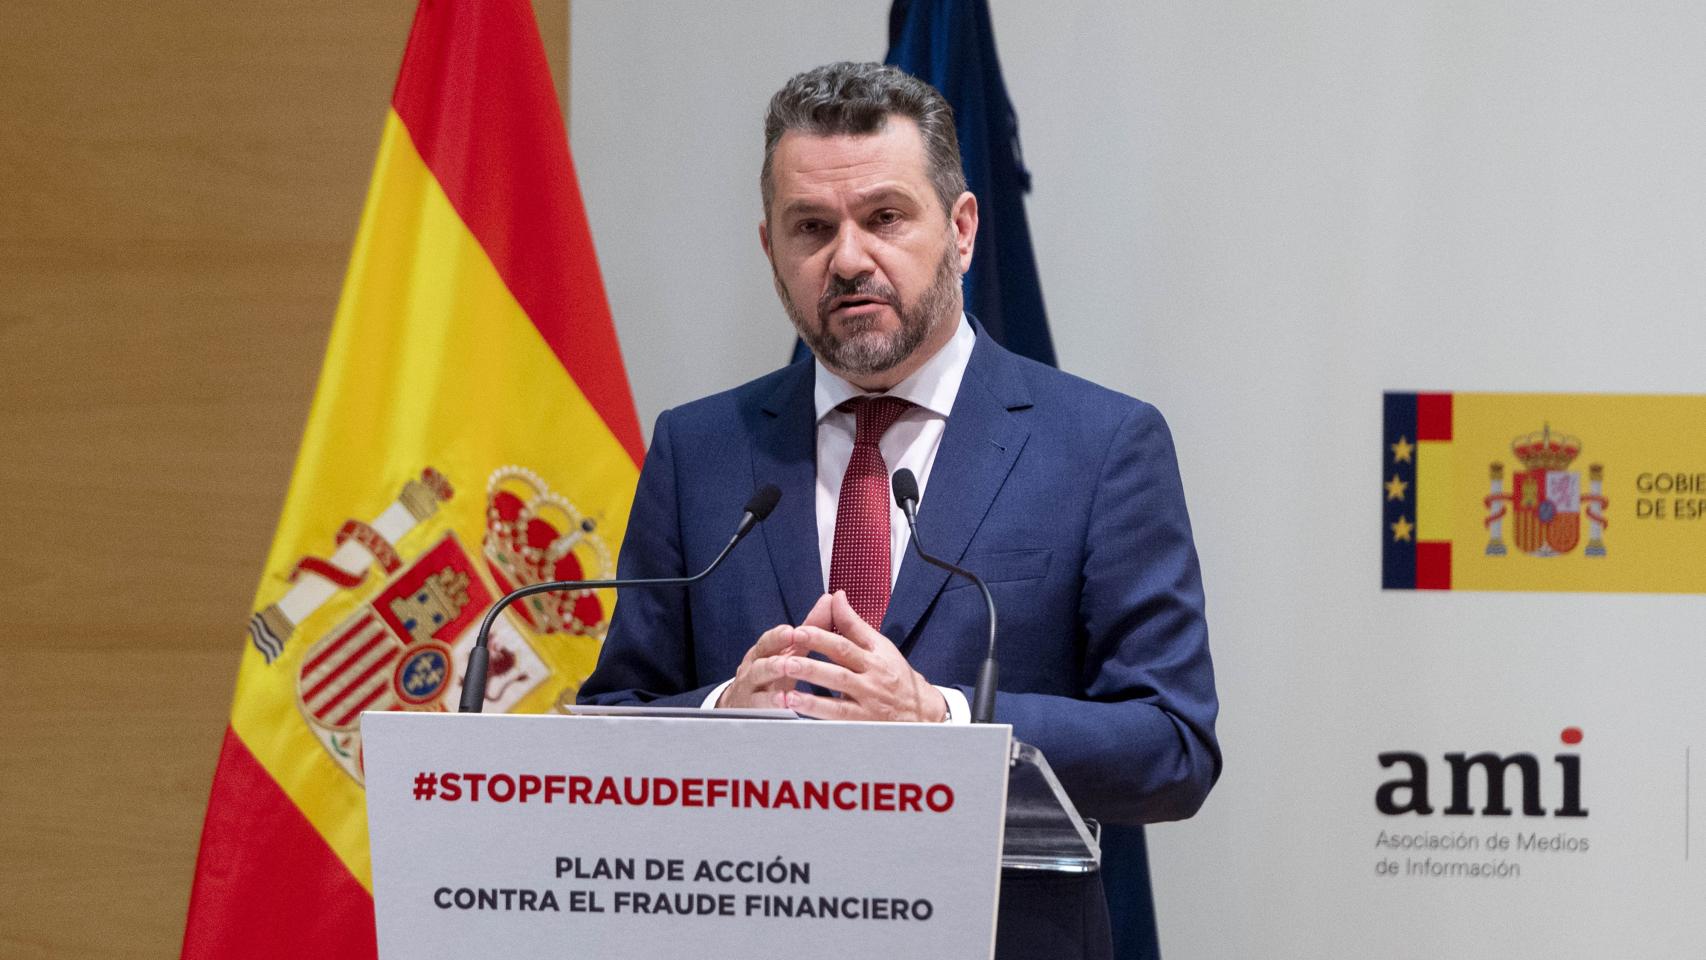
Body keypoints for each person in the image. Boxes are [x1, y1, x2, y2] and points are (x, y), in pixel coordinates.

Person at [579, 61, 1219, 959]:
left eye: (884, 217)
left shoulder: (1100, 445)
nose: (846, 259)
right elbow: (616, 717)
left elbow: (1173, 746)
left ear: (960, 230)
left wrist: (942, 724)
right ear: (770, 250)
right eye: (812, 228)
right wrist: (727, 707)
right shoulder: (701, 450)